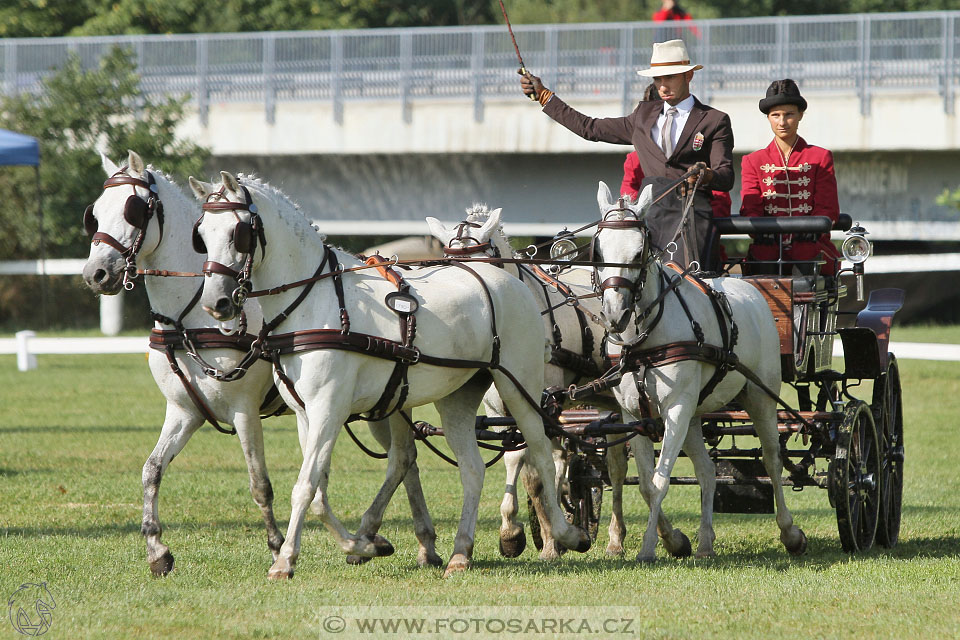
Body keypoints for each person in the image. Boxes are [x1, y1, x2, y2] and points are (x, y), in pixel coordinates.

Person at [521, 39, 734, 271]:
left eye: (669, 77)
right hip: (651, 218)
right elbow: (589, 128)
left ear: (688, 76)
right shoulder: (642, 116)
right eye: (658, 79)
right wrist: (544, 97)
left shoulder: (714, 120)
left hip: (691, 217)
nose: (662, 86)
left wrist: (706, 175)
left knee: (687, 285)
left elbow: (726, 177)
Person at [740, 79, 841, 275]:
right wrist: (764, 233)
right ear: (768, 118)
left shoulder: (820, 157)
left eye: (789, 115)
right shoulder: (752, 160)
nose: (782, 122)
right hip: (766, 254)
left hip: (811, 252)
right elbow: (750, 210)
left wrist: (808, 233)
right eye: (775, 115)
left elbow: (828, 208)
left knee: (807, 258)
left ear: (801, 115)